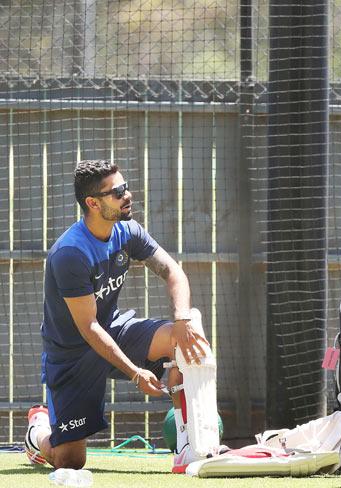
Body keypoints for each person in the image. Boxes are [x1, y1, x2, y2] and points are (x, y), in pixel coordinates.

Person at [25, 159, 214, 473]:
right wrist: (136, 373)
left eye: (125, 188)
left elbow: (173, 272)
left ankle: (189, 444)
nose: (128, 195)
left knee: (185, 338)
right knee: (70, 461)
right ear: (93, 203)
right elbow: (88, 328)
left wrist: (182, 318)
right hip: (72, 356)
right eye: (117, 192)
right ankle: (38, 432)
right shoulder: (70, 253)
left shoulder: (128, 231)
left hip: (113, 329)